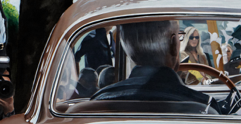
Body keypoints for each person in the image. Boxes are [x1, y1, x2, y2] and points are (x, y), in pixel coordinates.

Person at [93, 20, 221, 113]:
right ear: (173, 44)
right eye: (179, 36)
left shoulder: (98, 102)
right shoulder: (204, 107)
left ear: (126, 48)